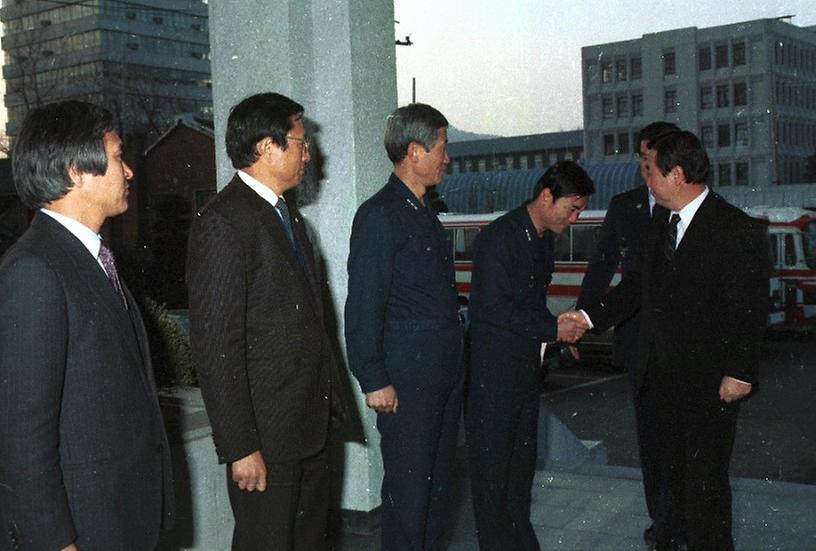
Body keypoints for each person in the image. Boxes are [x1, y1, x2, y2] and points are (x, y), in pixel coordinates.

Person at [570, 130, 770, 551]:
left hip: (707, 386)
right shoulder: (663, 221)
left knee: (705, 494)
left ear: (676, 175)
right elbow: (639, 285)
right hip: (658, 382)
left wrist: (740, 372)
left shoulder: (735, 229)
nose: (646, 181)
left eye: (652, 172)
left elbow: (748, 309)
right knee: (667, 492)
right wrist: (587, 317)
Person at [0, 100, 174, 550]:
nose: (130, 171)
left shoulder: (88, 258)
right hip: (85, 526)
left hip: (120, 515)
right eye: (118, 157)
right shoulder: (34, 270)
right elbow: (23, 435)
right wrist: (56, 541)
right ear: (77, 170)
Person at [187, 92, 343, 550]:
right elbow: (217, 346)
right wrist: (239, 446)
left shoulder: (287, 218)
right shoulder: (224, 222)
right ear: (265, 147)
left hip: (307, 427)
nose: (308, 152)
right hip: (265, 437)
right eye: (300, 141)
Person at [345, 103, 463, 550]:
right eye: (442, 147)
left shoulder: (423, 210)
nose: (447, 158)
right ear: (414, 151)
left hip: (439, 376)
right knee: (409, 501)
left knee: (435, 498)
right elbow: (363, 307)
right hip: (407, 382)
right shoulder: (380, 214)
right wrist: (373, 377)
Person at [466, 161, 594, 550]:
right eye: (571, 208)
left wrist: (558, 334)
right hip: (492, 379)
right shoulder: (499, 238)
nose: (574, 218)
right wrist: (552, 328)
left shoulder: (543, 239)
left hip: (522, 375)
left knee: (519, 479)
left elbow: (531, 304)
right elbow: (491, 309)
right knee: (492, 483)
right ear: (545, 196)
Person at [576, 121, 678, 547]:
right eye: (640, 157)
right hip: (640, 343)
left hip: (684, 345)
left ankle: (684, 519)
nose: (642, 166)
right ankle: (664, 521)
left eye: (650, 158)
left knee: (686, 440)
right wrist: (583, 319)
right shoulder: (626, 206)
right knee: (652, 439)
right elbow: (602, 265)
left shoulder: (687, 204)